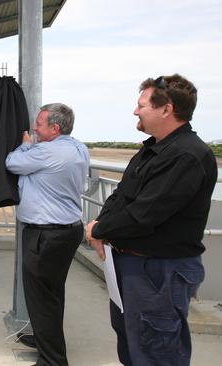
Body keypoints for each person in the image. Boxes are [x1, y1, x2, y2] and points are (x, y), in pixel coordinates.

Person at [86, 74, 216, 366]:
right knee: (132, 346)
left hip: (159, 272)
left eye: (141, 104)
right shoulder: (152, 150)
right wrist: (99, 228)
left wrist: (100, 229)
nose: (136, 111)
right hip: (132, 267)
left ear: (166, 109)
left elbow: (144, 214)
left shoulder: (188, 156)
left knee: (156, 351)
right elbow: (121, 197)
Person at [5, 103, 89, 366]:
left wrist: (27, 145)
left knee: (41, 298)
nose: (34, 127)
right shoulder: (78, 147)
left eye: (39, 123)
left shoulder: (44, 151)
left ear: (55, 128)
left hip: (45, 235)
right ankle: (44, 339)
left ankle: (52, 360)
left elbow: (12, 163)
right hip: (67, 231)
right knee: (52, 294)